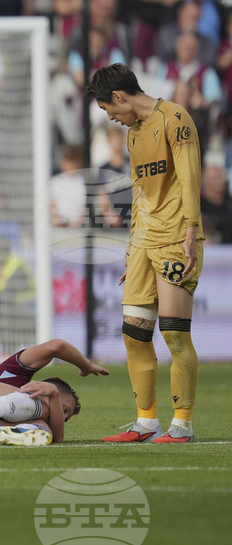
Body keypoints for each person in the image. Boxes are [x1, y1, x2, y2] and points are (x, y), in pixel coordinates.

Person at [86, 63, 204, 443]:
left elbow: (188, 176)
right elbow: (139, 193)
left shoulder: (175, 119)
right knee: (134, 335)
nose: (112, 118)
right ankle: (146, 422)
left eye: (109, 110)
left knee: (174, 335)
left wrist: (191, 230)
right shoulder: (134, 136)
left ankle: (182, 425)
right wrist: (132, 246)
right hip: (144, 243)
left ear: (119, 97)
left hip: (175, 238)